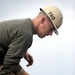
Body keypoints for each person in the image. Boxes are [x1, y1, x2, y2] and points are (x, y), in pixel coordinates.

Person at [0, 5, 63, 75]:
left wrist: (23, 51)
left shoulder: (25, 25)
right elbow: (10, 64)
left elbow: (9, 38)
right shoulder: (26, 34)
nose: (51, 34)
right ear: (43, 20)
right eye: (51, 29)